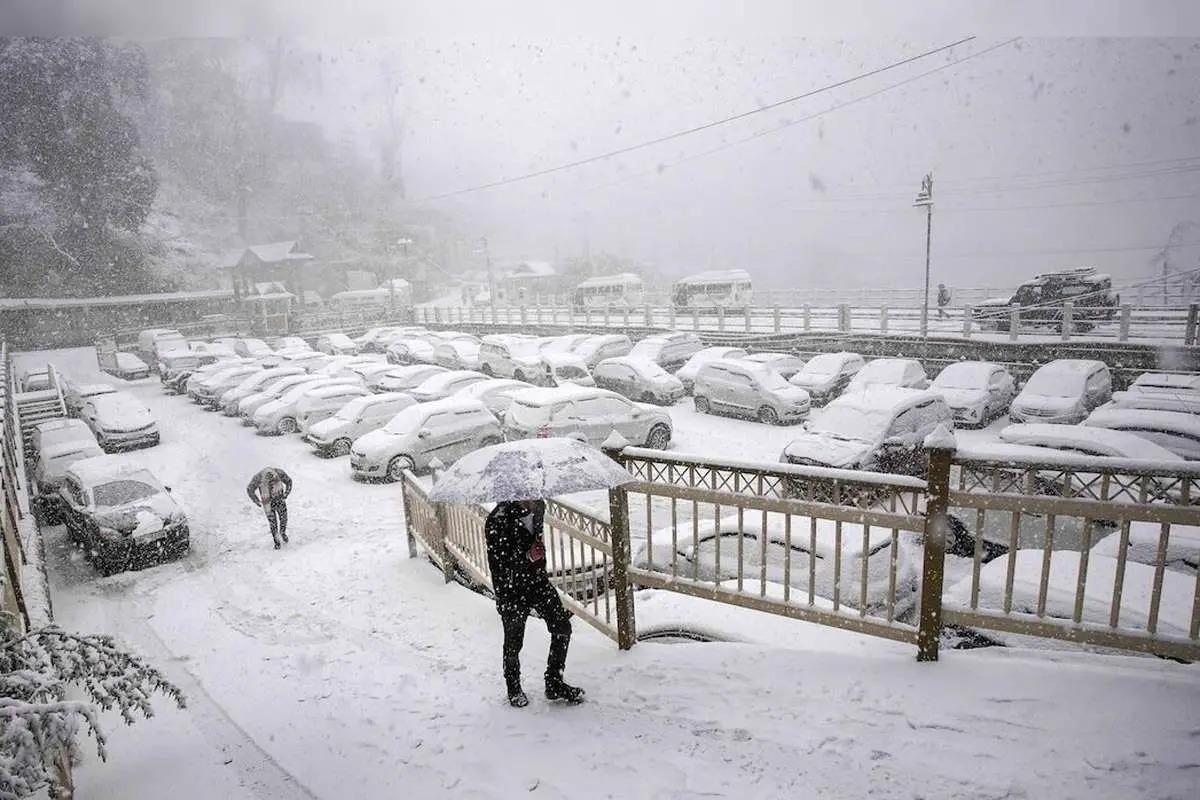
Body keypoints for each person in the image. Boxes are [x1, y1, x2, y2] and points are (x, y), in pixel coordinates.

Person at [484, 499, 584, 707]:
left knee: (562, 627)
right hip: (511, 588)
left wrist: (536, 556)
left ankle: (554, 682)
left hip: (537, 581)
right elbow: (498, 563)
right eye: (526, 496)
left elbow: (533, 537)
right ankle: (514, 688)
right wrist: (527, 556)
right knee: (514, 641)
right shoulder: (497, 519)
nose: (531, 498)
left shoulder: (539, 506)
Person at [246, 467, 293, 549]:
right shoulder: (258, 478)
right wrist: (256, 501)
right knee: (273, 523)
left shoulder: (279, 472)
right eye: (269, 483)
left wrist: (286, 493)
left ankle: (282, 533)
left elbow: (289, 481)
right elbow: (250, 489)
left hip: (279, 499)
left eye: (274, 482)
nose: (271, 485)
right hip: (268, 503)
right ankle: (277, 541)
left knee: (283, 519)